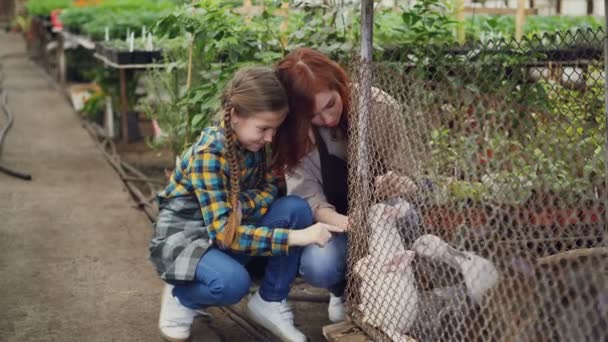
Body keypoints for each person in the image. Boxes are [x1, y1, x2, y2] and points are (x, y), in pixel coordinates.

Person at [149, 66, 344, 342]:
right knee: (232, 284)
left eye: (274, 129)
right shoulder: (210, 156)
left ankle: (271, 301)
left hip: (224, 233)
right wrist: (297, 236)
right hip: (187, 242)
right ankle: (181, 296)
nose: (270, 138)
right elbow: (227, 235)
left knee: (296, 208)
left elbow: (270, 189)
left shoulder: (253, 143)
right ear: (236, 116)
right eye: (264, 128)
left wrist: (241, 202)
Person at [272, 48, 420, 323]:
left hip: (380, 213)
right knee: (320, 265)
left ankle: (391, 290)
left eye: (330, 104)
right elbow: (310, 199)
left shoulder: (378, 107)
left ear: (338, 84)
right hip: (334, 220)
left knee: (409, 218)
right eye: (314, 115)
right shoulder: (296, 131)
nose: (327, 120)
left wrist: (397, 183)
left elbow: (411, 179)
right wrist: (349, 224)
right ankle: (341, 290)